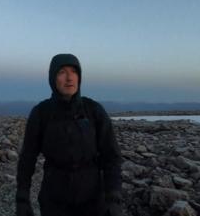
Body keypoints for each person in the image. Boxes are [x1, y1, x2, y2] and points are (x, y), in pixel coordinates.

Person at [16, 54, 123, 216]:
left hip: (93, 199)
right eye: (62, 72)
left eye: (74, 71)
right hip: (54, 200)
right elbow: (28, 158)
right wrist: (22, 198)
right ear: (53, 78)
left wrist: (113, 197)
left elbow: (111, 156)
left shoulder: (93, 110)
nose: (69, 78)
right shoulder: (41, 113)